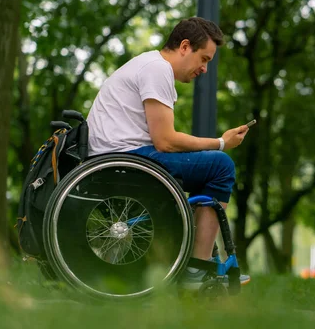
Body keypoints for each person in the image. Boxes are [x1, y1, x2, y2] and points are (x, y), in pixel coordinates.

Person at [87, 17, 251, 289]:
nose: (205, 69)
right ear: (185, 46)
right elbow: (166, 141)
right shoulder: (157, 69)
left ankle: (197, 258)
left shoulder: (149, 65)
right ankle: (197, 270)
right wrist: (220, 142)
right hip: (126, 159)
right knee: (221, 166)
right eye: (204, 58)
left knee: (207, 166)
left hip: (117, 156)